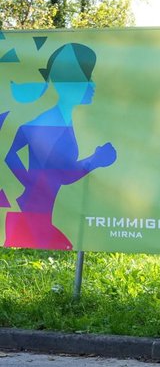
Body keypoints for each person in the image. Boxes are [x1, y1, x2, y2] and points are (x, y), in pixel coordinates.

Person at [4, 43, 116, 249]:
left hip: (41, 215)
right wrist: (95, 160)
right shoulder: (50, 122)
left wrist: (33, 182)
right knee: (63, 247)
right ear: (66, 83)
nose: (92, 84)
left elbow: (15, 156)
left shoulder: (61, 120)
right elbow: (61, 175)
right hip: (33, 218)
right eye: (86, 78)